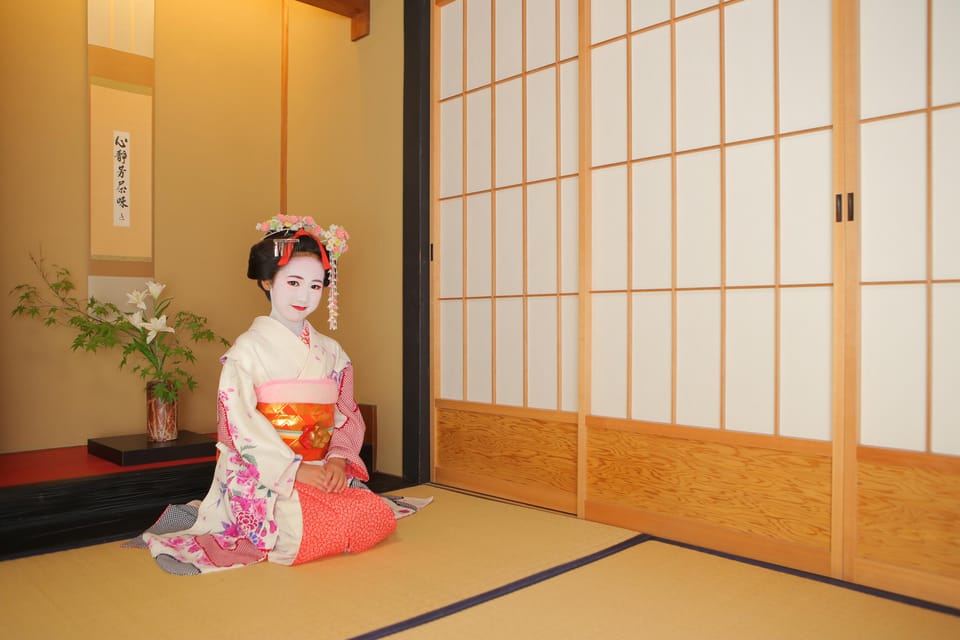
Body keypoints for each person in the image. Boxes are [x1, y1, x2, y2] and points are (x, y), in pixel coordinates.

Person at [130, 215, 399, 575]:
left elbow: (346, 413)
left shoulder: (333, 352)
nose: (304, 296)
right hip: (266, 473)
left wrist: (337, 461)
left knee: (375, 515)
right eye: (293, 282)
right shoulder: (247, 351)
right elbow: (240, 423)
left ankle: (325, 506)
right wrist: (294, 470)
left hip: (322, 467)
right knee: (299, 533)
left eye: (316, 286)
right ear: (267, 280)